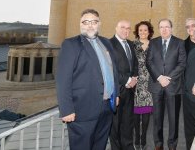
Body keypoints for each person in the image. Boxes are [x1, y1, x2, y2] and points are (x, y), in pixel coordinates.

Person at [56, 8, 119, 150]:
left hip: (106, 108)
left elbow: (113, 70)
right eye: (86, 22)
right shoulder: (71, 44)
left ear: (99, 24)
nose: (90, 25)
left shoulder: (107, 43)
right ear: (80, 24)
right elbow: (62, 79)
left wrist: (117, 94)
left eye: (94, 22)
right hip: (82, 110)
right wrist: (66, 109)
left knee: (100, 145)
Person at [146, 18, 186, 150]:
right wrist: (159, 77)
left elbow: (182, 63)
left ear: (171, 28)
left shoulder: (179, 43)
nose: (164, 29)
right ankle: (158, 145)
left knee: (173, 119)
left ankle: (172, 145)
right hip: (157, 86)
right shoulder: (153, 42)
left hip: (173, 86)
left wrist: (168, 78)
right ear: (159, 29)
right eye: (161, 27)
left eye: (167, 27)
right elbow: (149, 62)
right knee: (157, 118)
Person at [109, 20, 138, 150]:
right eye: (122, 27)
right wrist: (127, 80)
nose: (125, 30)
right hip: (117, 91)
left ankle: (128, 146)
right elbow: (111, 68)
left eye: (128, 28)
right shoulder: (109, 44)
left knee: (128, 122)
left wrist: (134, 79)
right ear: (116, 28)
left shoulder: (131, 44)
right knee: (115, 124)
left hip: (130, 91)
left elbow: (135, 64)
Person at [132, 21, 155, 150]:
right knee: (136, 113)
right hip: (137, 81)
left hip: (150, 82)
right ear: (137, 31)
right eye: (140, 30)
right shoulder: (133, 44)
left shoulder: (154, 45)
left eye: (145, 30)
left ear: (149, 31)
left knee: (146, 112)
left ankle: (143, 139)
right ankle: (136, 139)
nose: (143, 32)